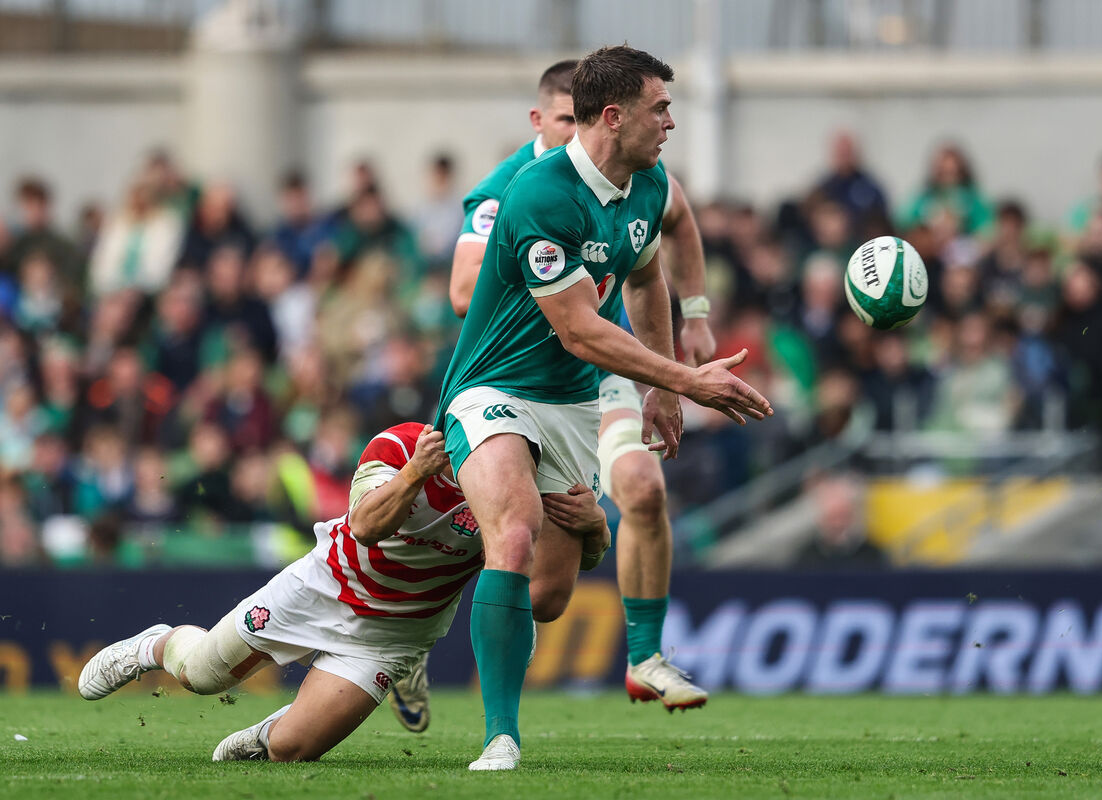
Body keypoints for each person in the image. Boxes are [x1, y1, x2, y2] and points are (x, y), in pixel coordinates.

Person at [433, 45, 772, 771]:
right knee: (514, 534)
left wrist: (663, 386)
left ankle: (424, 599)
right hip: (495, 389)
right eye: (661, 108)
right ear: (614, 117)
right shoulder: (537, 193)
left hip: (574, 401)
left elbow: (646, 276)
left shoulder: (648, 183)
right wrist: (688, 380)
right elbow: (580, 330)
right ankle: (500, 737)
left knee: (548, 596)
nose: (671, 123)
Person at [77, 421, 608, 762]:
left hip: (396, 635)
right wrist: (415, 473)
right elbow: (365, 525)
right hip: (324, 587)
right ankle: (154, 644)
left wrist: (597, 533)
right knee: (201, 676)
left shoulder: (527, 485)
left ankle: (279, 729)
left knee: (292, 750)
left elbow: (544, 590)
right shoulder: (401, 444)